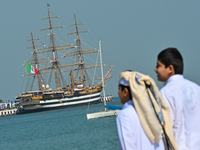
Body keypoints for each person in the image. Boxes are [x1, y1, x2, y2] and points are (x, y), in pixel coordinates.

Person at [116, 71, 177, 150]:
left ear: (125, 92)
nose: (118, 93)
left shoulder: (124, 115)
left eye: (119, 89)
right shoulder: (155, 110)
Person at [154, 47, 200, 149]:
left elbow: (162, 132)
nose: (155, 69)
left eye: (158, 66)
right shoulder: (197, 89)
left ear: (170, 68)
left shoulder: (164, 94)